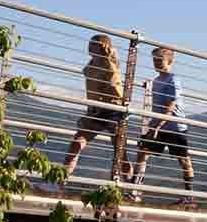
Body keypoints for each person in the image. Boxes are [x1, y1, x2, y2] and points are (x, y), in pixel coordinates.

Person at [126, 47, 195, 207]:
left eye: (159, 60)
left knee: (183, 160)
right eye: (154, 60)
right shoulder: (157, 80)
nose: (156, 63)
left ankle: (189, 197)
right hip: (158, 124)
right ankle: (135, 191)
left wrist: (156, 127)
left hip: (174, 126)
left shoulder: (173, 79)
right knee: (143, 153)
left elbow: (169, 107)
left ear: (169, 61)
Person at [63, 34, 125, 185]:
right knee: (77, 143)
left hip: (112, 111)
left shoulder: (110, 66)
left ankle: (132, 188)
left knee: (120, 153)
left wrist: (107, 58)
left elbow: (118, 92)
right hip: (96, 111)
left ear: (103, 47)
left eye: (94, 44)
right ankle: (59, 182)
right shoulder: (91, 65)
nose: (90, 46)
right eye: (90, 43)